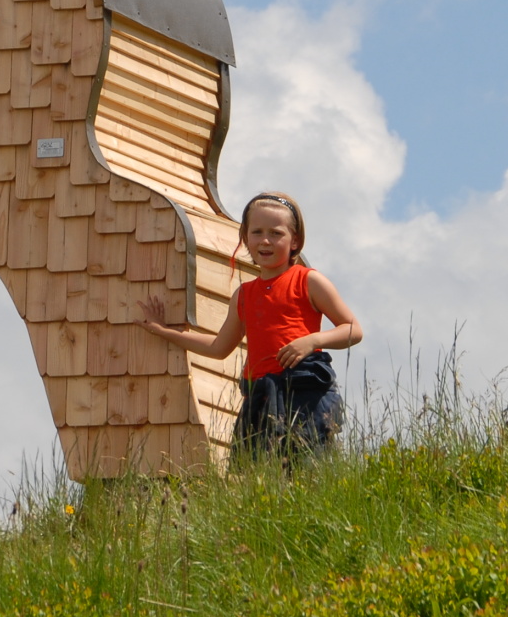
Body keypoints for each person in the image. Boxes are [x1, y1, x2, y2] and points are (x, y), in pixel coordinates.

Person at [137, 191, 363, 461]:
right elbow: (219, 347)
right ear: (245, 238)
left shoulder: (309, 281)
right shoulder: (244, 295)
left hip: (303, 389)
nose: (265, 240)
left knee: (306, 465)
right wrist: (164, 331)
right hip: (259, 396)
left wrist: (312, 341)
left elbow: (352, 329)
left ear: (295, 240)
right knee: (253, 470)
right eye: (257, 232)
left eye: (276, 233)